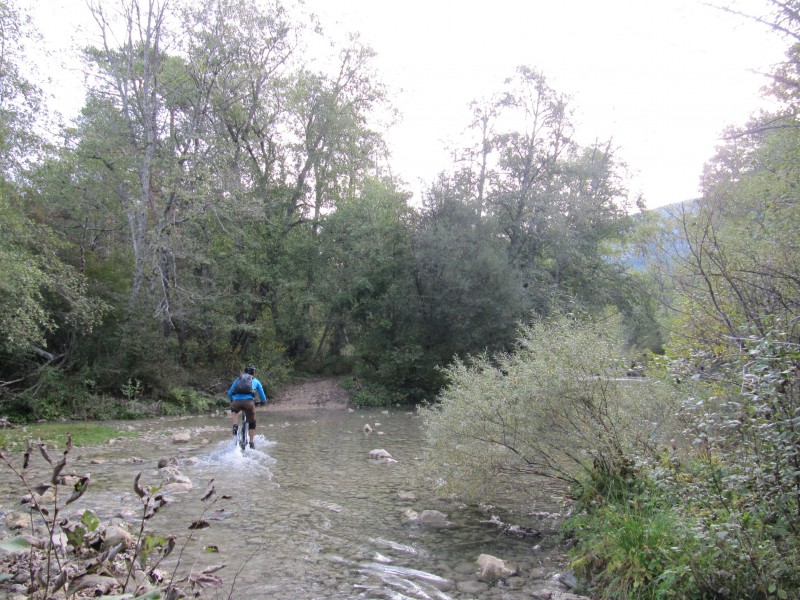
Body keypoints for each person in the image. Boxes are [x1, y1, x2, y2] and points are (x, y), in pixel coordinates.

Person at [227, 365, 267, 449]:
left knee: (234, 410)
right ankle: (251, 442)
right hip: (249, 403)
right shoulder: (256, 381)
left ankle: (235, 425)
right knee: (252, 421)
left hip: (236, 402)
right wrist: (263, 401)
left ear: (244, 372)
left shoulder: (238, 379)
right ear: (253, 373)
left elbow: (229, 393)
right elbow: (262, 395)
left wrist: (232, 400)